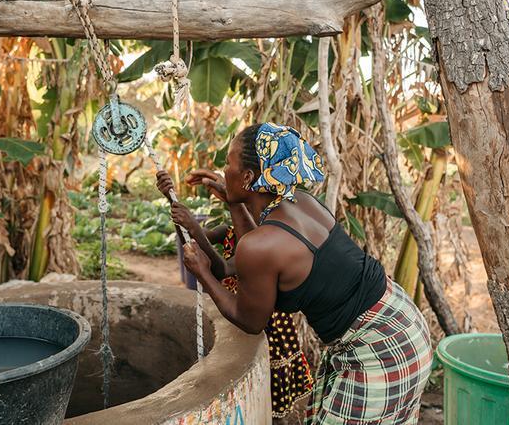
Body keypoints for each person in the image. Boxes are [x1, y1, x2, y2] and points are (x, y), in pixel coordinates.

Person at [177, 123, 433, 424]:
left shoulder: (262, 246)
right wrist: (236, 201)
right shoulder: (302, 202)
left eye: (228, 164)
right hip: (401, 317)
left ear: (247, 177)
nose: (223, 171)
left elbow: (250, 320)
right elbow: (255, 249)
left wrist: (203, 272)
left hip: (381, 350)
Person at [156, 171, 315, 420]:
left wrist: (193, 225)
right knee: (262, 388)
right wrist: (173, 203)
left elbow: (224, 268)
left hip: (271, 324)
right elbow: (194, 241)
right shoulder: (228, 231)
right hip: (246, 313)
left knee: (275, 388)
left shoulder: (265, 237)